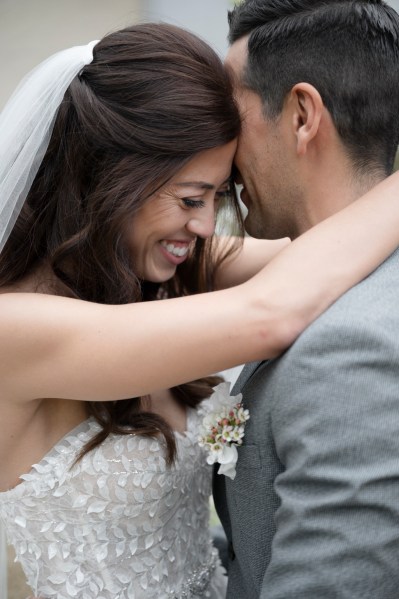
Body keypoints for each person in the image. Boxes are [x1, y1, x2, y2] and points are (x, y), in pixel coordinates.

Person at [1, 20, 399, 599]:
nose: (206, 226)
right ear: (105, 181)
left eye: (219, 195)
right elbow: (272, 313)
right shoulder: (14, 330)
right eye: (191, 199)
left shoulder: (170, 265)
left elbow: (320, 246)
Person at [213, 1, 399, 598]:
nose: (219, 148)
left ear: (300, 115)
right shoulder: (329, 287)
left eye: (227, 111)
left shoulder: (350, 350)